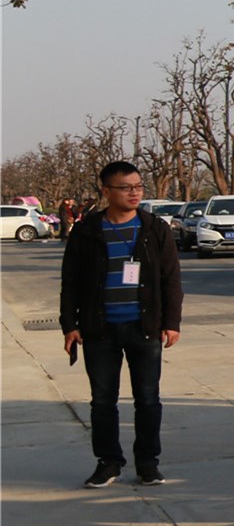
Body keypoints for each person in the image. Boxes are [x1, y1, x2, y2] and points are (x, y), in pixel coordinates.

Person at [60, 161, 182, 488]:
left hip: (144, 328)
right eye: (126, 187)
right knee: (102, 400)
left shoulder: (155, 228)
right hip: (99, 330)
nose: (134, 193)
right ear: (106, 192)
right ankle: (108, 463)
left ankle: (148, 463)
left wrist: (171, 322)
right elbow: (70, 281)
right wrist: (69, 324)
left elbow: (171, 279)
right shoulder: (86, 230)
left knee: (147, 398)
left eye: (138, 187)